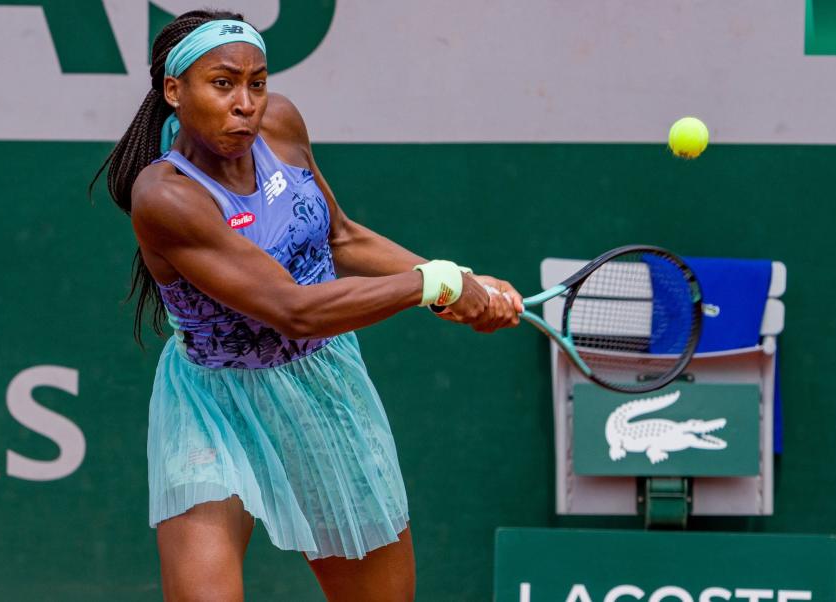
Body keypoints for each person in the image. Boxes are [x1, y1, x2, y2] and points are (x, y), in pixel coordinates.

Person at [94, 9, 522, 602]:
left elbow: (341, 237)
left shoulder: (281, 126)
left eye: (257, 83)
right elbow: (292, 309)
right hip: (210, 404)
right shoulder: (166, 197)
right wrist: (434, 285)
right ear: (174, 91)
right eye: (222, 84)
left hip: (321, 389)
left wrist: (463, 281)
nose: (246, 102)